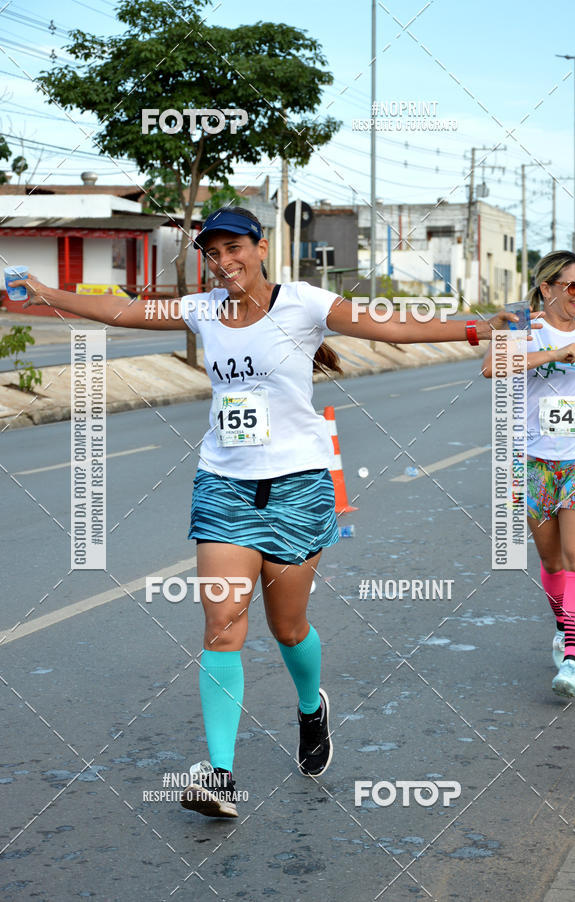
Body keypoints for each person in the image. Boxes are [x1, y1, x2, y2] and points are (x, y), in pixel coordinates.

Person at [15, 205, 518, 818]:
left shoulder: (302, 303)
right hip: (224, 485)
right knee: (223, 623)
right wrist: (46, 292)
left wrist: (475, 329)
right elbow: (124, 311)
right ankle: (220, 776)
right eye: (213, 253)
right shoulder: (202, 310)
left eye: (235, 249)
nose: (224, 262)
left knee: (288, 628)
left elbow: (390, 327)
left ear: (260, 247)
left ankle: (311, 707)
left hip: (298, 488)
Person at [482, 250, 575, 698]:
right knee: (551, 562)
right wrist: (553, 352)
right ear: (547, 288)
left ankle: (571, 659)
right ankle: (563, 625)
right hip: (531, 461)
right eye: (573, 286)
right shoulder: (524, 328)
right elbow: (491, 368)